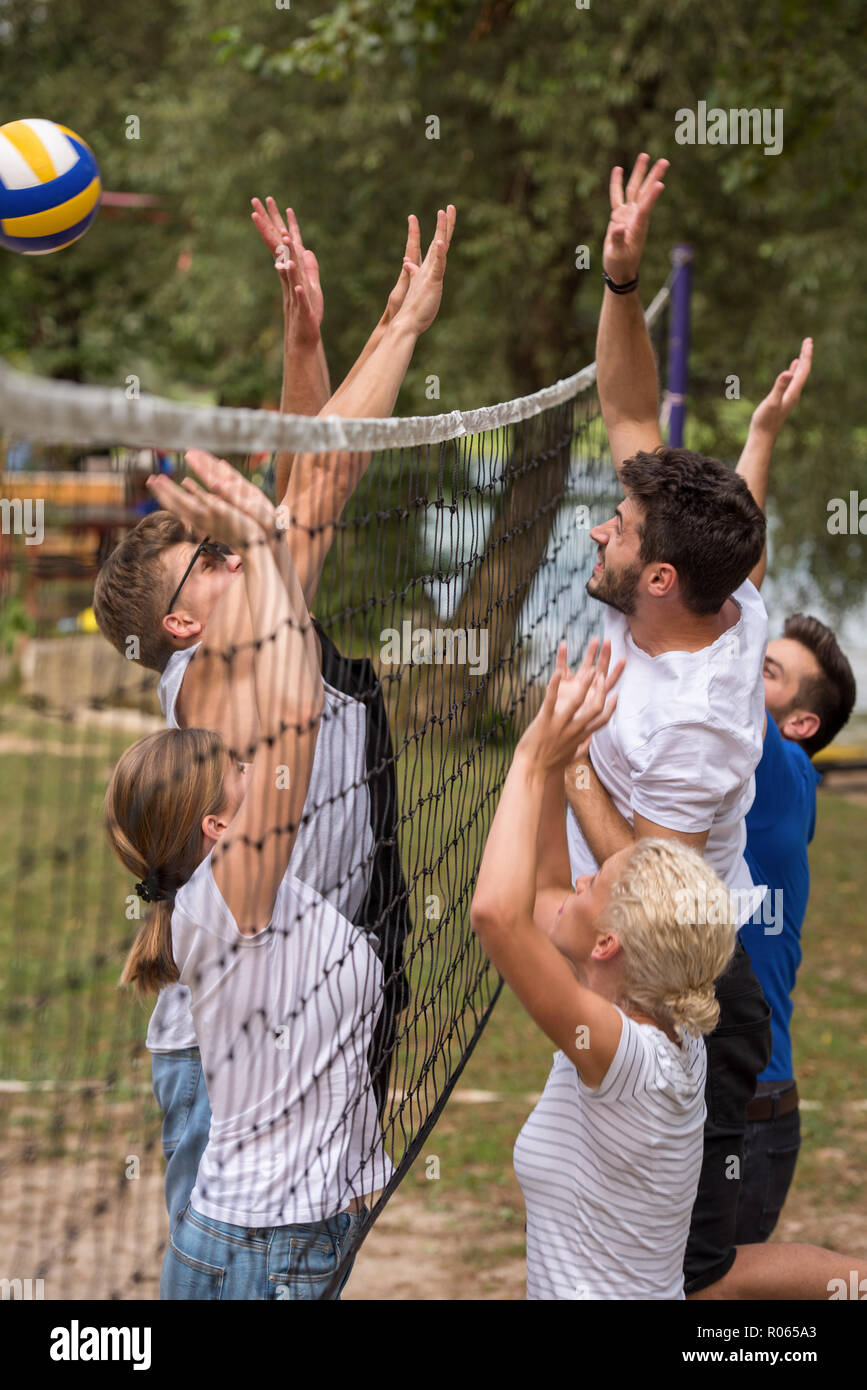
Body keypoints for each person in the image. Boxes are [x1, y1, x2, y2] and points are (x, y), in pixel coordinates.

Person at [93, 205, 455, 1232]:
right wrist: (402, 330)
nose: (232, 558)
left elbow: (305, 479)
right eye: (207, 561)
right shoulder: (205, 673)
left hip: (302, 1024)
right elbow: (318, 484)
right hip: (229, 1052)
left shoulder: (256, 619)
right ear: (178, 621)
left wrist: (308, 337)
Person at [576, 153, 865, 1300]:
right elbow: (628, 406)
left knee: (694, 1278)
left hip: (698, 971)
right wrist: (619, 281)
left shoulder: (699, 722)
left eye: (617, 521)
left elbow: (648, 879)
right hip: (653, 965)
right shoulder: (720, 604)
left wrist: (558, 766)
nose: (598, 523)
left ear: (655, 574)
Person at [106, 456, 391, 1299]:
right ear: (217, 827)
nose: (251, 759)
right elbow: (296, 717)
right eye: (234, 763)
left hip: (261, 1224)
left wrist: (263, 538)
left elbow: (319, 478)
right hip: (258, 1240)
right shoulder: (238, 891)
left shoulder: (224, 883)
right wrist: (264, 537)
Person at [471, 639, 738, 1299]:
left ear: (606, 947)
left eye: (593, 885)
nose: (580, 878)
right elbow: (538, 902)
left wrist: (531, 757)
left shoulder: (623, 1056)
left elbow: (497, 917)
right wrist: (570, 765)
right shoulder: (668, 1015)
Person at [731, 341, 857, 1243]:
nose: (747, 670)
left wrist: (760, 436)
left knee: (713, 1292)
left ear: (799, 722)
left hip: (749, 1107)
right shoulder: (765, 770)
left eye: (769, 672)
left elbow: (735, 594)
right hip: (743, 1098)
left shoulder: (776, 769)